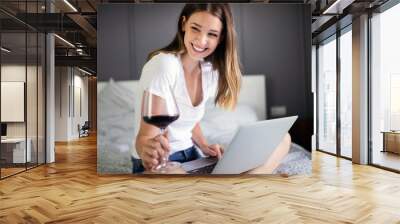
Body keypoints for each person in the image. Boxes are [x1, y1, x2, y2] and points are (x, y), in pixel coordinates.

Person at [132, 3, 291, 174]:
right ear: (184, 23)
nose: (201, 40)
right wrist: (148, 153)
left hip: (193, 155)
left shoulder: (210, 72)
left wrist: (204, 145)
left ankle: (247, 178)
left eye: (212, 34)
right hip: (164, 160)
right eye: (195, 28)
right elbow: (145, 137)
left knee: (284, 138)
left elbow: (190, 118)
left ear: (221, 38)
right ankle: (242, 182)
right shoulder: (164, 65)